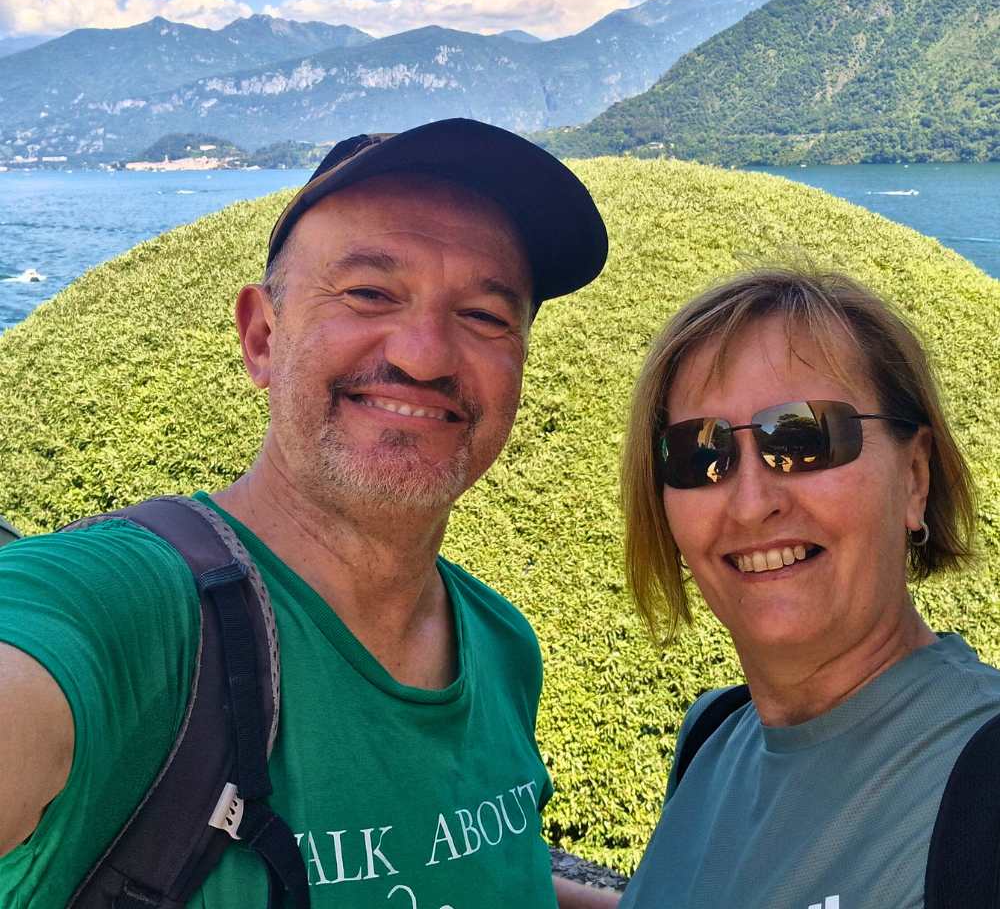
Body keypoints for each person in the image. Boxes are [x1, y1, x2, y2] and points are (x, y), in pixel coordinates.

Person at [0, 118, 620, 908]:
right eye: (369, 294)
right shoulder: (123, 610)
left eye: (485, 316)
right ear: (262, 336)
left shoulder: (502, 646)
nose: (425, 354)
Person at [618, 267, 989, 908]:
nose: (750, 503)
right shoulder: (711, 739)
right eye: (700, 454)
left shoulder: (983, 782)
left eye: (804, 437)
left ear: (915, 477)